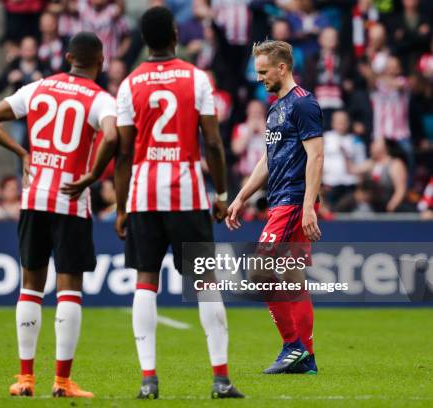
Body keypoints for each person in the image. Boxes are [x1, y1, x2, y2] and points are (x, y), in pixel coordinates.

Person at [0, 31, 118, 398]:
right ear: (100, 62)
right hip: (71, 202)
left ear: (68, 57)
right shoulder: (100, 99)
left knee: (30, 287)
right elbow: (113, 137)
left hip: (34, 198)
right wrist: (92, 174)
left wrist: (23, 154)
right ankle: (62, 381)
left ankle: (24, 379)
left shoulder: (36, 89)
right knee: (69, 290)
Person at [113, 6, 243, 400]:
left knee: (145, 283)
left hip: (143, 194)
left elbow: (122, 154)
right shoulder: (196, 78)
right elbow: (214, 143)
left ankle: (148, 379)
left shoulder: (130, 83)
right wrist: (221, 195)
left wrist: (121, 206)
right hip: (186, 193)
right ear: (173, 33)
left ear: (144, 38)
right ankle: (220, 379)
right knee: (205, 284)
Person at [225, 40, 324, 374]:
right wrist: (241, 196)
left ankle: (291, 346)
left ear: (282, 68)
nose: (260, 78)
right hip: (280, 199)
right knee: (294, 279)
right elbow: (268, 160)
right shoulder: (275, 108)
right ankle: (306, 359)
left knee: (257, 270)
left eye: (264, 71)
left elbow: (316, 155)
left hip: (293, 201)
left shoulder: (303, 104)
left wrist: (308, 205)